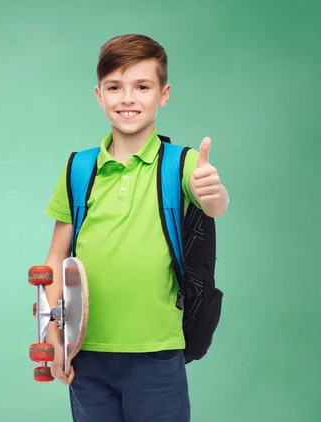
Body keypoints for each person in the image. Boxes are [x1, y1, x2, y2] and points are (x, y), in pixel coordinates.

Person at [42, 34, 229, 422]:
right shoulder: (78, 168)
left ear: (163, 94)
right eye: (115, 87)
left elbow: (215, 205)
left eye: (142, 86)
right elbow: (56, 259)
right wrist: (51, 335)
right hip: (85, 353)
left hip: (157, 354)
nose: (127, 98)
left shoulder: (181, 163)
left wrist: (212, 193)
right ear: (99, 95)